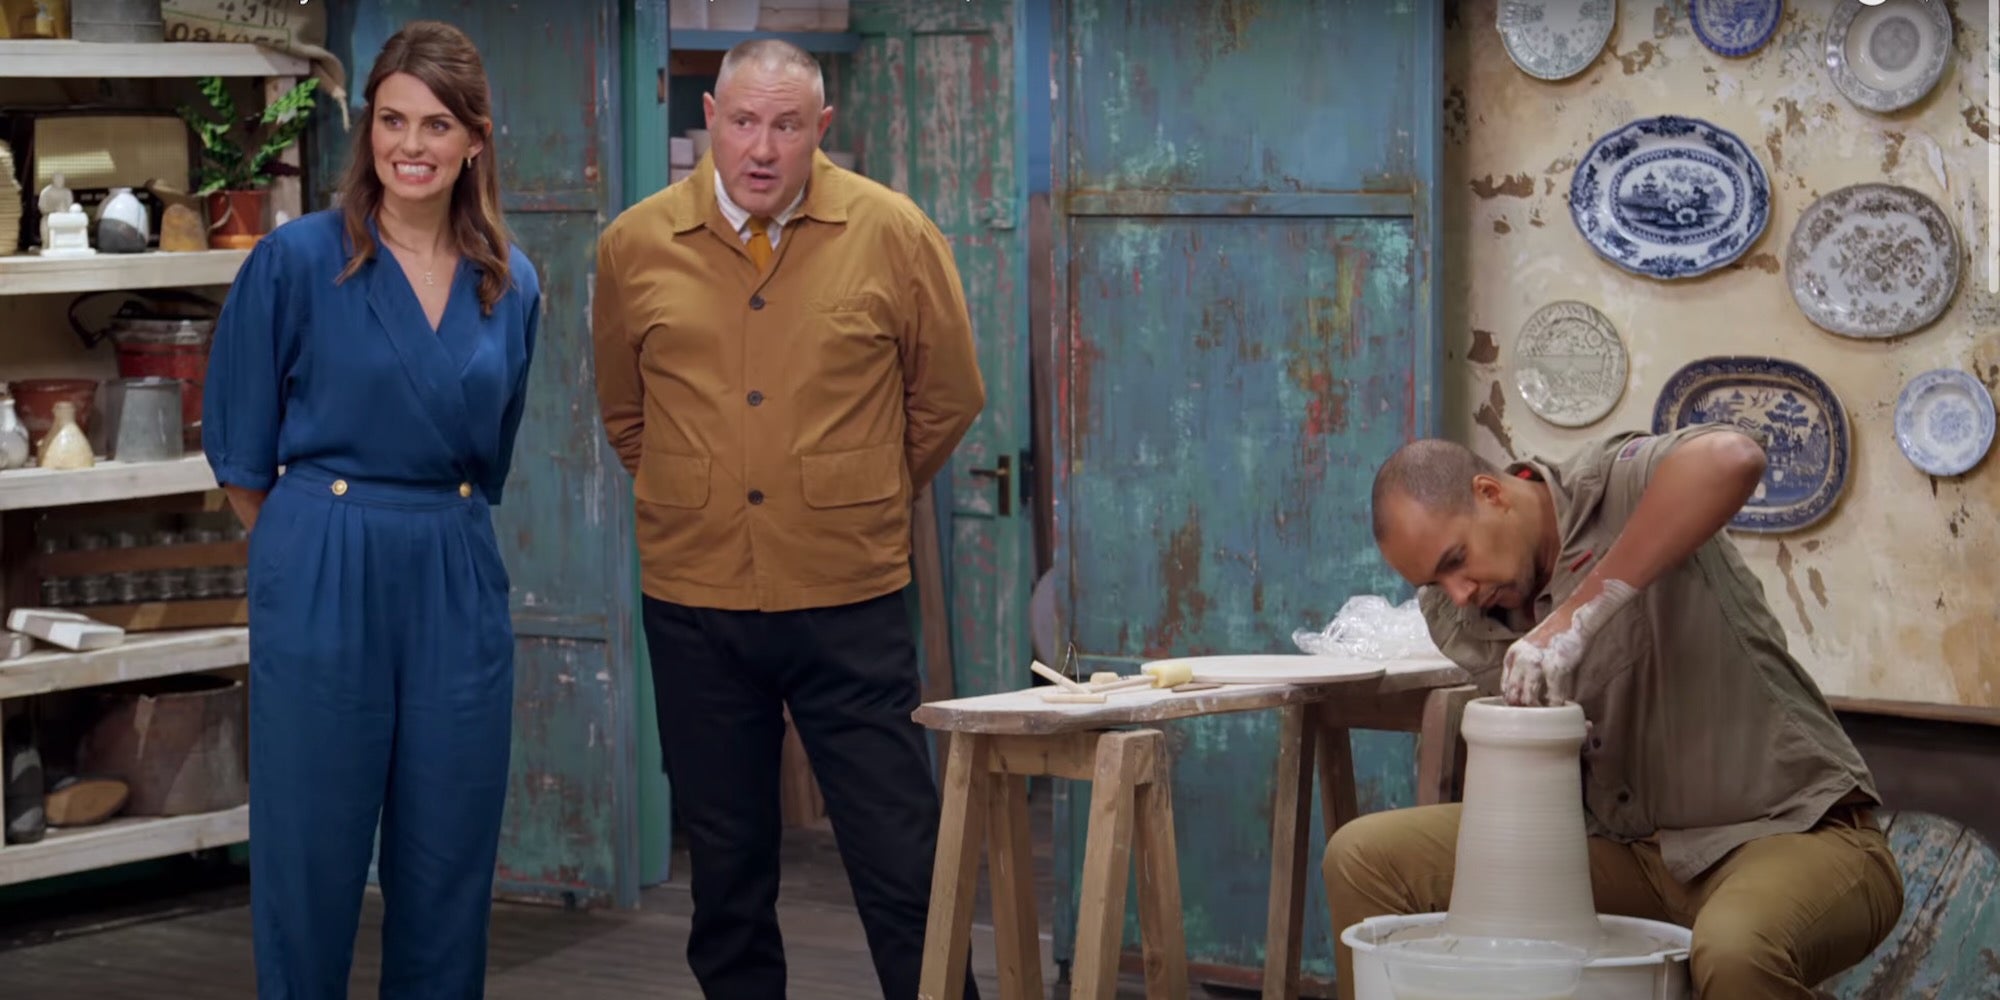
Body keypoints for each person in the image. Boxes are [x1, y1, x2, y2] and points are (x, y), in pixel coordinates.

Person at [589, 38, 984, 1000]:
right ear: (711, 120)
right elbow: (626, 414)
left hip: (849, 596)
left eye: (787, 125)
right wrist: (709, 490)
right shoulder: (634, 245)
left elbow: (948, 397)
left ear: (822, 130)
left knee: (902, 861)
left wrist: (854, 492)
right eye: (743, 121)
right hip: (696, 603)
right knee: (727, 875)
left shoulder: (893, 232)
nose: (762, 148)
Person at [1324, 427, 1904, 999]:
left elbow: (1733, 457)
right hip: (1623, 851)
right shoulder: (1457, 615)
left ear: (1491, 494)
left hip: (1789, 833)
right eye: (1434, 580)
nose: (1457, 592)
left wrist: (1576, 617)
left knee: (1734, 953)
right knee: (1363, 859)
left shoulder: (1612, 488)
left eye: (1457, 560)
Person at [201, 20, 538, 998]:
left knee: (447, 857)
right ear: (367, 131)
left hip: (454, 568)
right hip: (319, 558)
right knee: (311, 858)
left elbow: (493, 443)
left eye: (436, 125)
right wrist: (308, 559)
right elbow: (239, 445)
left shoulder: (512, 284)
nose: (411, 146)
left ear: (475, 138)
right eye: (392, 120)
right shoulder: (299, 260)